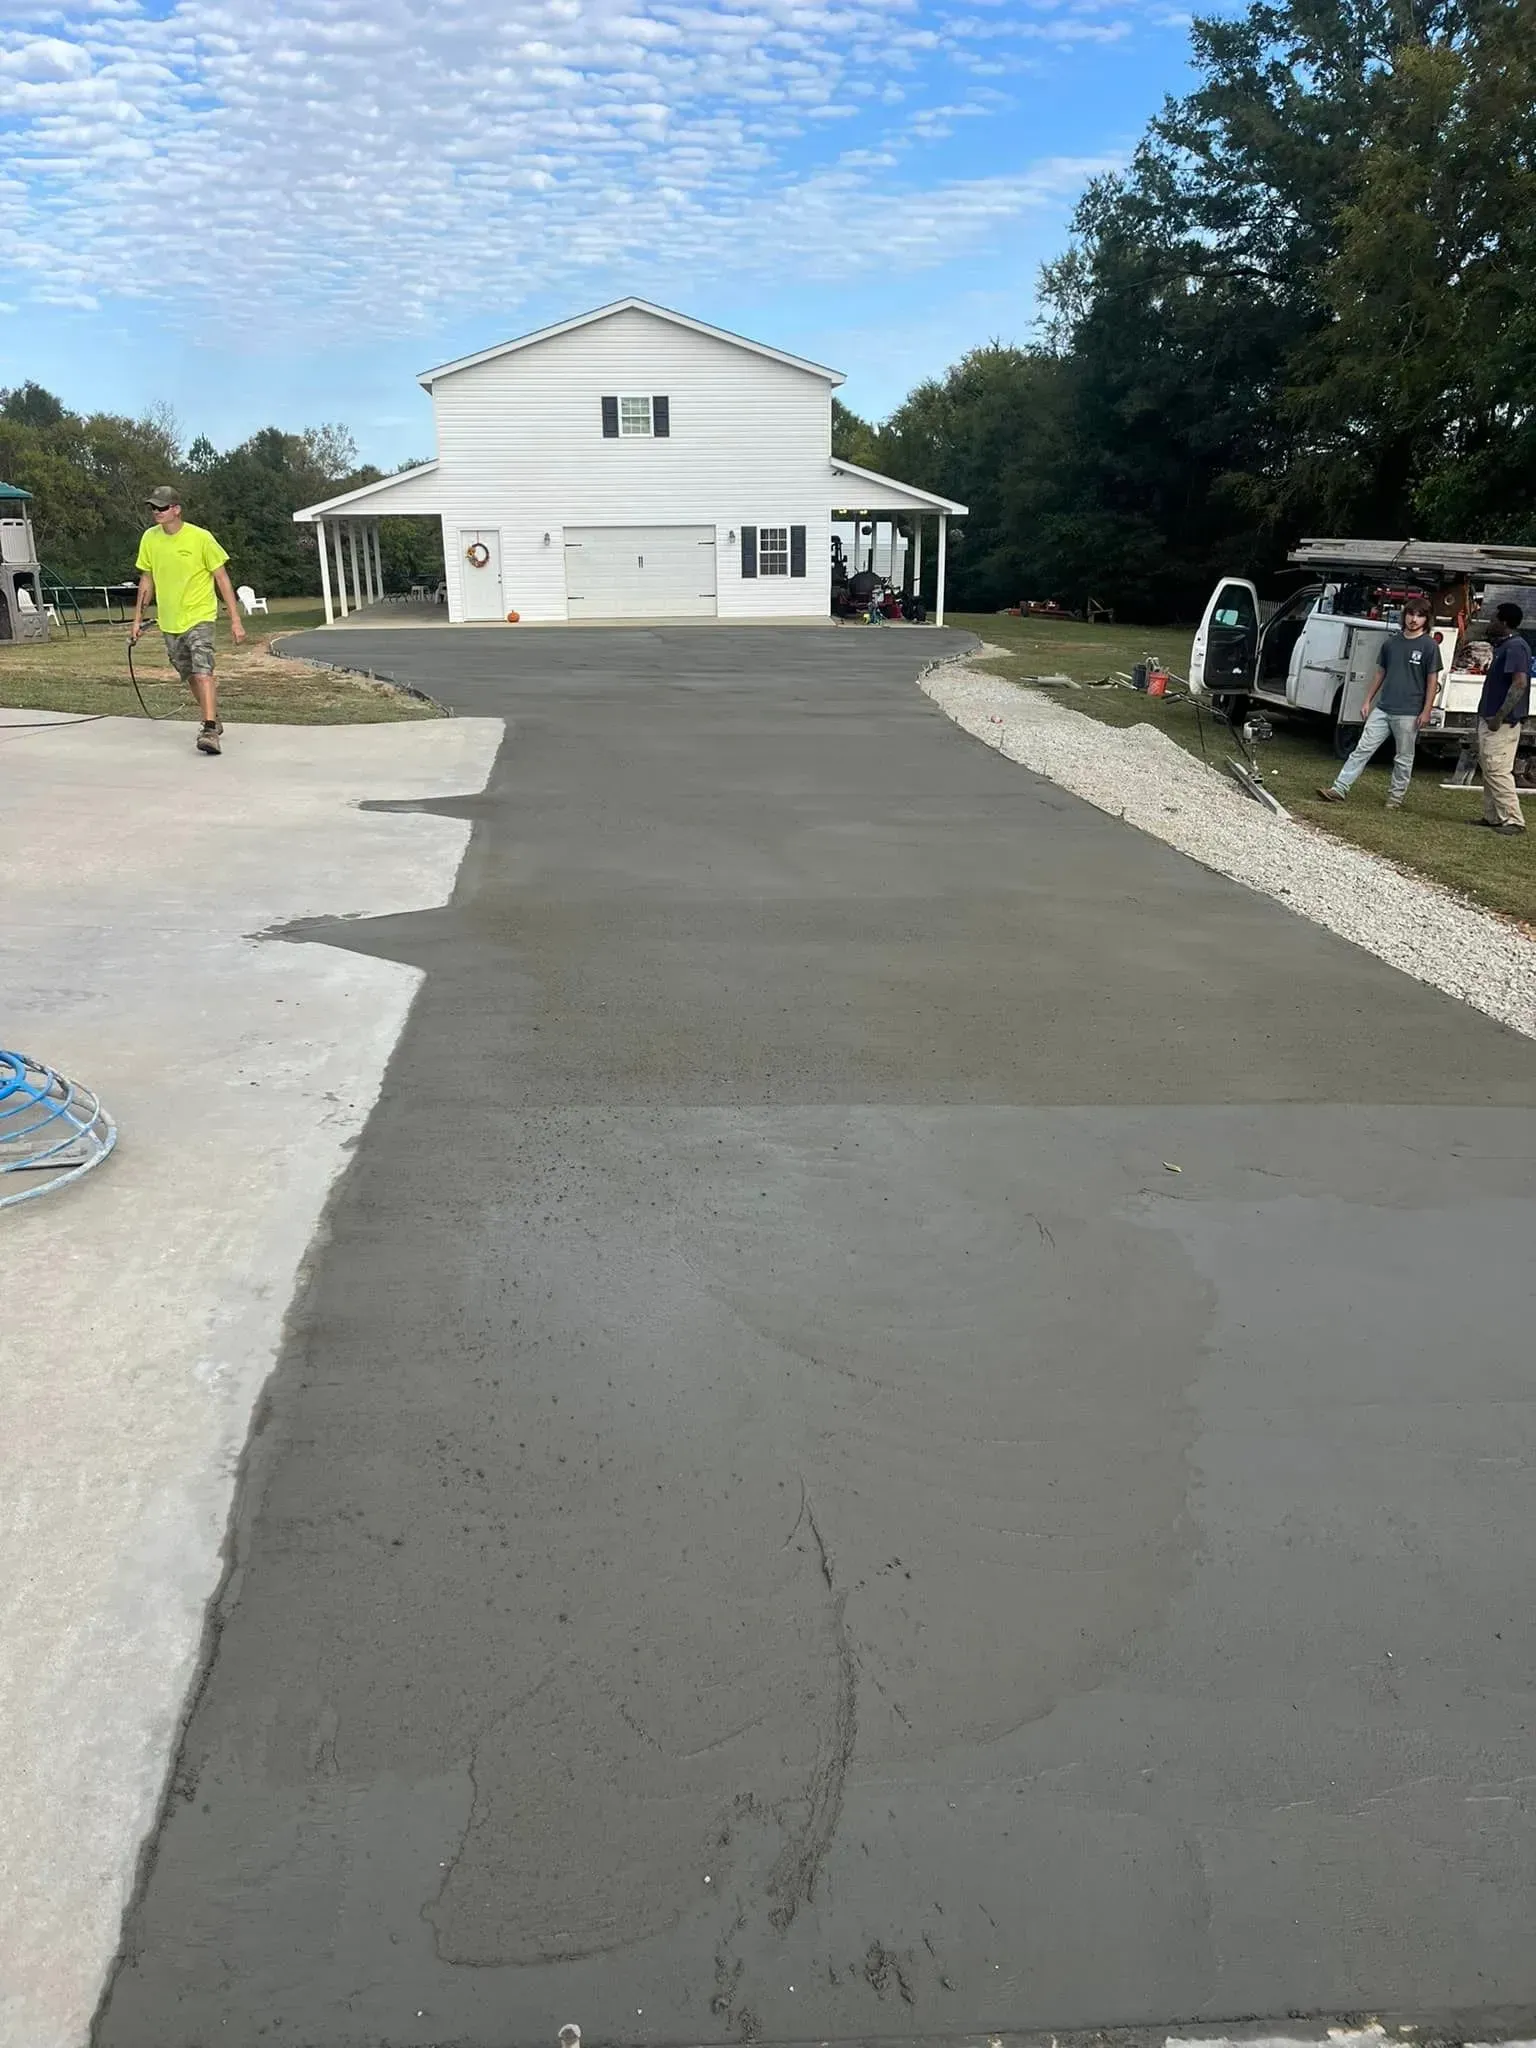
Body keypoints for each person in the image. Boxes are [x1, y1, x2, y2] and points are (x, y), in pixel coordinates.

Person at [130, 486, 245, 756]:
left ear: (176, 509)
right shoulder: (150, 539)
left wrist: (235, 620)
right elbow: (147, 580)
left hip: (200, 615)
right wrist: (137, 619)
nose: (157, 513)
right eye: (154, 508)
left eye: (162, 508)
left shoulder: (201, 538)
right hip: (169, 620)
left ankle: (208, 729)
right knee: (189, 673)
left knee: (203, 668)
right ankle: (213, 716)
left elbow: (221, 578)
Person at [1317, 597, 1442, 809]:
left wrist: (1426, 710)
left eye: (1420, 616)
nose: (1414, 619)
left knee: (1403, 757)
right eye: (1411, 614)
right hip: (1383, 708)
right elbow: (1380, 673)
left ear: (1426, 619)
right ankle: (1339, 788)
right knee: (1362, 749)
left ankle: (1395, 798)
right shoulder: (1391, 643)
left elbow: (1432, 680)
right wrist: (1367, 700)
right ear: (1404, 616)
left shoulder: (1429, 646)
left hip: (1410, 711)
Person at [1472, 601, 1530, 835]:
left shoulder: (1515, 647)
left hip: (1502, 722)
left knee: (1497, 769)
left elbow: (1519, 683)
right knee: (1489, 767)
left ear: (1504, 622)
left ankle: (1514, 820)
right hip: (1491, 718)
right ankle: (1493, 816)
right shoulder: (1506, 646)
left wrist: (1499, 716)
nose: (1490, 623)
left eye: (1494, 619)